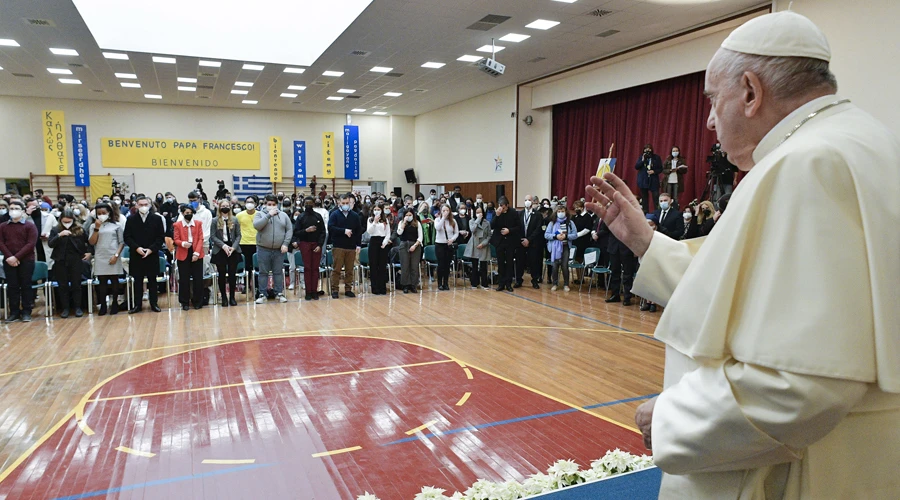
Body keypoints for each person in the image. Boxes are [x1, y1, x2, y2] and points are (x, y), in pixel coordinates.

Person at [586, 11, 900, 498]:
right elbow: (747, 292)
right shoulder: (859, 142)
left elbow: (802, 385)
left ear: (751, 92)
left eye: (714, 99)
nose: (709, 120)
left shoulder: (807, 164)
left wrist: (671, 419)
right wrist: (647, 242)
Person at [124, 196, 165, 313]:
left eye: (145, 204)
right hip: (136, 254)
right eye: (141, 205)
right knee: (137, 281)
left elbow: (160, 237)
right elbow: (127, 237)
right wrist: (137, 248)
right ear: (136, 206)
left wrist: (151, 249)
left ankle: (154, 304)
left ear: (150, 205)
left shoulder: (157, 219)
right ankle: (137, 305)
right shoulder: (131, 219)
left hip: (152, 254)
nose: (143, 207)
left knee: (152, 280)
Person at [0, 201, 38, 322]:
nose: (13, 210)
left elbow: (31, 244)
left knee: (26, 285)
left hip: (26, 260)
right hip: (9, 260)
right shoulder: (3, 226)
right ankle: (14, 312)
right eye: (11, 208)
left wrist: (16, 257)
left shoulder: (30, 226)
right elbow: (1, 243)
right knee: (12, 286)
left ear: (22, 211)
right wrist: (9, 257)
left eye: (16, 208)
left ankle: (27, 311)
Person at [47, 210, 89, 318]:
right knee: (63, 286)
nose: (67, 223)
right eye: (64, 221)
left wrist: (89, 252)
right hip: (60, 260)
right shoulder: (56, 229)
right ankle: (65, 308)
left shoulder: (79, 229)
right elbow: (50, 244)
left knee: (76, 285)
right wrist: (59, 235)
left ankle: (77, 307)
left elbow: (88, 242)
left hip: (76, 260)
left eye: (69, 221)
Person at [87, 203, 124, 316]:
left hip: (113, 255)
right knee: (101, 282)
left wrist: (116, 255)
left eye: (104, 213)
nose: (101, 215)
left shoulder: (117, 225)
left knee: (114, 281)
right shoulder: (93, 226)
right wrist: (97, 228)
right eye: (99, 213)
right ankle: (103, 305)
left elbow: (121, 242)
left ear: (109, 213)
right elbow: (92, 242)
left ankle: (114, 305)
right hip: (100, 256)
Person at [253, 195, 291, 303]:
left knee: (278, 272)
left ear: (277, 205)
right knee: (263, 272)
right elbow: (257, 226)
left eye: (273, 204)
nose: (271, 206)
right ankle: (262, 294)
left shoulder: (283, 215)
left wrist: (285, 243)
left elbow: (289, 230)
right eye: (269, 204)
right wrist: (268, 215)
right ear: (265, 204)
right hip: (263, 248)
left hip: (279, 249)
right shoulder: (259, 214)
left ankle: (279, 293)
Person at [328, 194, 362, 299]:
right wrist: (344, 231)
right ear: (339, 203)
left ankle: (348, 289)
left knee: (349, 270)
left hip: (351, 246)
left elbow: (358, 231)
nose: (346, 205)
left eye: (347, 203)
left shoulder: (355, 215)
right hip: (338, 246)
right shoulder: (334, 214)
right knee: (336, 269)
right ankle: (335, 289)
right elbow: (331, 228)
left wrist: (359, 244)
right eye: (343, 203)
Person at [292, 196, 326, 300]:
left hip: (316, 244)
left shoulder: (318, 216)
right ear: (303, 204)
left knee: (315, 269)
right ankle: (308, 292)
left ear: (313, 204)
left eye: (310, 204)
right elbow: (296, 232)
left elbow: (323, 232)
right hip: (305, 244)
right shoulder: (301, 217)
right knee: (307, 268)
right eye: (306, 204)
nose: (308, 205)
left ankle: (314, 291)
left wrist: (320, 245)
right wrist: (306, 231)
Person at [209, 200, 242, 307]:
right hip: (220, 249)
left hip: (233, 248)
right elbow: (213, 236)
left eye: (227, 206)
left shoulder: (235, 219)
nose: (225, 208)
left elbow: (238, 236)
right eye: (223, 206)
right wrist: (223, 246)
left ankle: (232, 297)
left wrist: (233, 247)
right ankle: (223, 297)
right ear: (219, 207)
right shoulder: (214, 220)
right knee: (222, 274)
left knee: (232, 274)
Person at [597, 218, 635, 306]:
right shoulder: (611, 216)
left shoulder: (628, 216)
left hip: (626, 247)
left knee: (627, 274)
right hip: (613, 247)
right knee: (614, 272)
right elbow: (605, 228)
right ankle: (615, 294)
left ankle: (627, 296)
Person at [173, 204, 205, 310]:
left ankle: (198, 301)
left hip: (196, 251)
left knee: (198, 278)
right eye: (187, 213)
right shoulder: (177, 225)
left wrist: (196, 253)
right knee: (184, 279)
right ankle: (184, 302)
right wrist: (182, 244)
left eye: (191, 213)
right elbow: (176, 239)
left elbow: (201, 238)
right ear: (182, 213)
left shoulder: (198, 223)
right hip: (183, 252)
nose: (189, 215)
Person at [544, 205, 577, 292]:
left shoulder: (570, 223)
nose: (560, 213)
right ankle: (555, 283)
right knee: (555, 266)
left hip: (565, 247)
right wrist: (556, 236)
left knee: (565, 266)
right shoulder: (552, 223)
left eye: (562, 211)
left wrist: (566, 236)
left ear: (566, 212)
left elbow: (575, 235)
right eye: (558, 212)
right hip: (555, 248)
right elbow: (546, 235)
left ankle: (566, 284)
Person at [489, 198, 519, 292]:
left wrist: (509, 230)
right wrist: (497, 216)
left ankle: (508, 283)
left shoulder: (514, 213)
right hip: (499, 242)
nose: (501, 208)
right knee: (500, 263)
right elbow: (492, 225)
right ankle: (501, 283)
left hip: (510, 241)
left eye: (502, 206)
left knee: (509, 263)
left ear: (507, 205)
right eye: (499, 205)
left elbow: (518, 227)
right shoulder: (496, 213)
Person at [515, 195, 543, 289]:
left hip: (533, 243)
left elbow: (538, 229)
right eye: (526, 200)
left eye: (529, 200)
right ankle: (518, 280)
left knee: (533, 262)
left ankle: (535, 280)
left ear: (533, 202)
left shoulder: (538, 215)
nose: (527, 201)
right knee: (520, 262)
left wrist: (529, 239)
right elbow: (517, 228)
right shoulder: (519, 214)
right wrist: (521, 239)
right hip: (520, 242)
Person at [395, 207, 423, 293]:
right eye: (406, 215)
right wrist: (404, 223)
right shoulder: (401, 222)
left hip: (415, 245)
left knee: (414, 266)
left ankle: (413, 285)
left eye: (410, 215)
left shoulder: (417, 223)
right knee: (405, 266)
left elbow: (420, 237)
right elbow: (399, 233)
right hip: (404, 245)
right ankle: (405, 285)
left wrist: (415, 245)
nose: (408, 216)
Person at [464, 205, 492, 289]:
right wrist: (477, 220)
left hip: (483, 244)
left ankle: (484, 283)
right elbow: (472, 230)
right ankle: (474, 283)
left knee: (484, 265)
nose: (479, 214)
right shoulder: (471, 221)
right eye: (477, 212)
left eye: (480, 212)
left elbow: (489, 235)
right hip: (474, 244)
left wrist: (483, 243)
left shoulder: (487, 222)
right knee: (475, 265)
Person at [365, 202, 391, 295]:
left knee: (382, 265)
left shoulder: (385, 220)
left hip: (383, 242)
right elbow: (369, 231)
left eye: (378, 209)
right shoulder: (370, 219)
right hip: (373, 241)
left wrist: (385, 242)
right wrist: (375, 222)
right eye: (375, 210)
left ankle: (382, 287)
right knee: (374, 265)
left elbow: (388, 233)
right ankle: (375, 287)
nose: (377, 211)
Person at [237, 196, 259, 297]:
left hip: (257, 243)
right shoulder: (239, 215)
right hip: (243, 243)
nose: (249, 204)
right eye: (248, 202)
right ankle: (246, 286)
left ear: (255, 204)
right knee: (247, 266)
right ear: (245, 203)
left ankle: (257, 286)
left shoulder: (260, 214)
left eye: (252, 202)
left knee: (257, 266)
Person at [432, 204, 459, 291]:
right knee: (441, 265)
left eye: (447, 210)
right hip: (439, 244)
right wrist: (443, 218)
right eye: (443, 210)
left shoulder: (453, 221)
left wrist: (452, 239)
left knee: (447, 265)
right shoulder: (437, 219)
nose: (445, 212)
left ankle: (446, 283)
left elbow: (456, 233)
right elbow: (437, 228)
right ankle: (440, 283)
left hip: (448, 245)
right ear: (441, 211)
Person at [570, 200, 594, 284]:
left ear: (582, 207)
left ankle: (582, 277)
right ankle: (579, 277)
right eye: (575, 207)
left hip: (584, 241)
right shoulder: (575, 217)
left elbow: (587, 229)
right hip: (575, 241)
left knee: (582, 260)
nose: (576, 209)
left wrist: (577, 235)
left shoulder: (587, 217)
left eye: (578, 207)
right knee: (576, 259)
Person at [635, 144, 663, 213]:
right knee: (644, 199)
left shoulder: (656, 157)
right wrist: (643, 160)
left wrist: (654, 171)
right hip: (643, 181)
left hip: (653, 180)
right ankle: (645, 213)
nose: (647, 150)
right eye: (646, 149)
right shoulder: (641, 157)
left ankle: (657, 212)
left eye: (649, 149)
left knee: (656, 197)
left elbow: (660, 169)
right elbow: (636, 167)